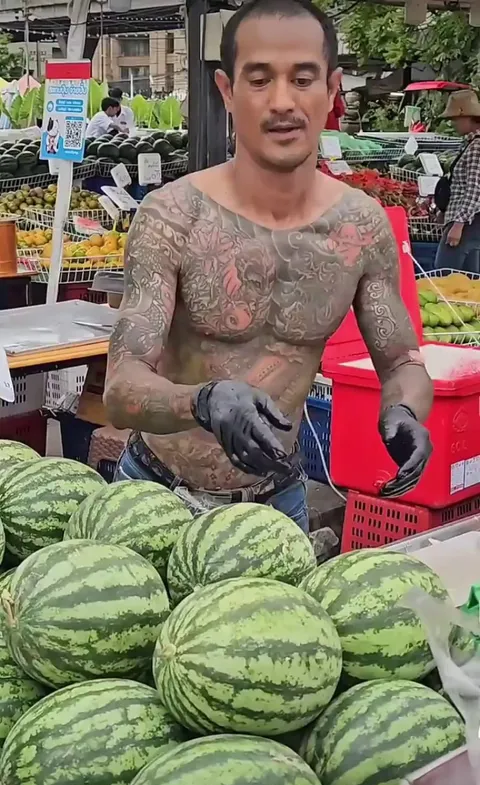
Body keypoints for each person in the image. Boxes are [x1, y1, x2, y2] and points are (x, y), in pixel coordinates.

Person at [104, 0, 433, 531]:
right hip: (155, 498)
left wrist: (405, 412)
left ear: (332, 89)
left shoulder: (360, 228)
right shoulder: (174, 216)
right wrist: (204, 401)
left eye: (303, 78)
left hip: (276, 508)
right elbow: (120, 388)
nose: (283, 102)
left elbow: (402, 363)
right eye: (259, 80)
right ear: (227, 92)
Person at [435, 89, 480, 273]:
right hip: (466, 219)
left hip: (467, 221)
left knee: (444, 272)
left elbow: (475, 189)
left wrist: (458, 224)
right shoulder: (470, 144)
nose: (453, 123)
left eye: (455, 119)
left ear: (467, 117)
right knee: (470, 275)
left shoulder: (476, 147)